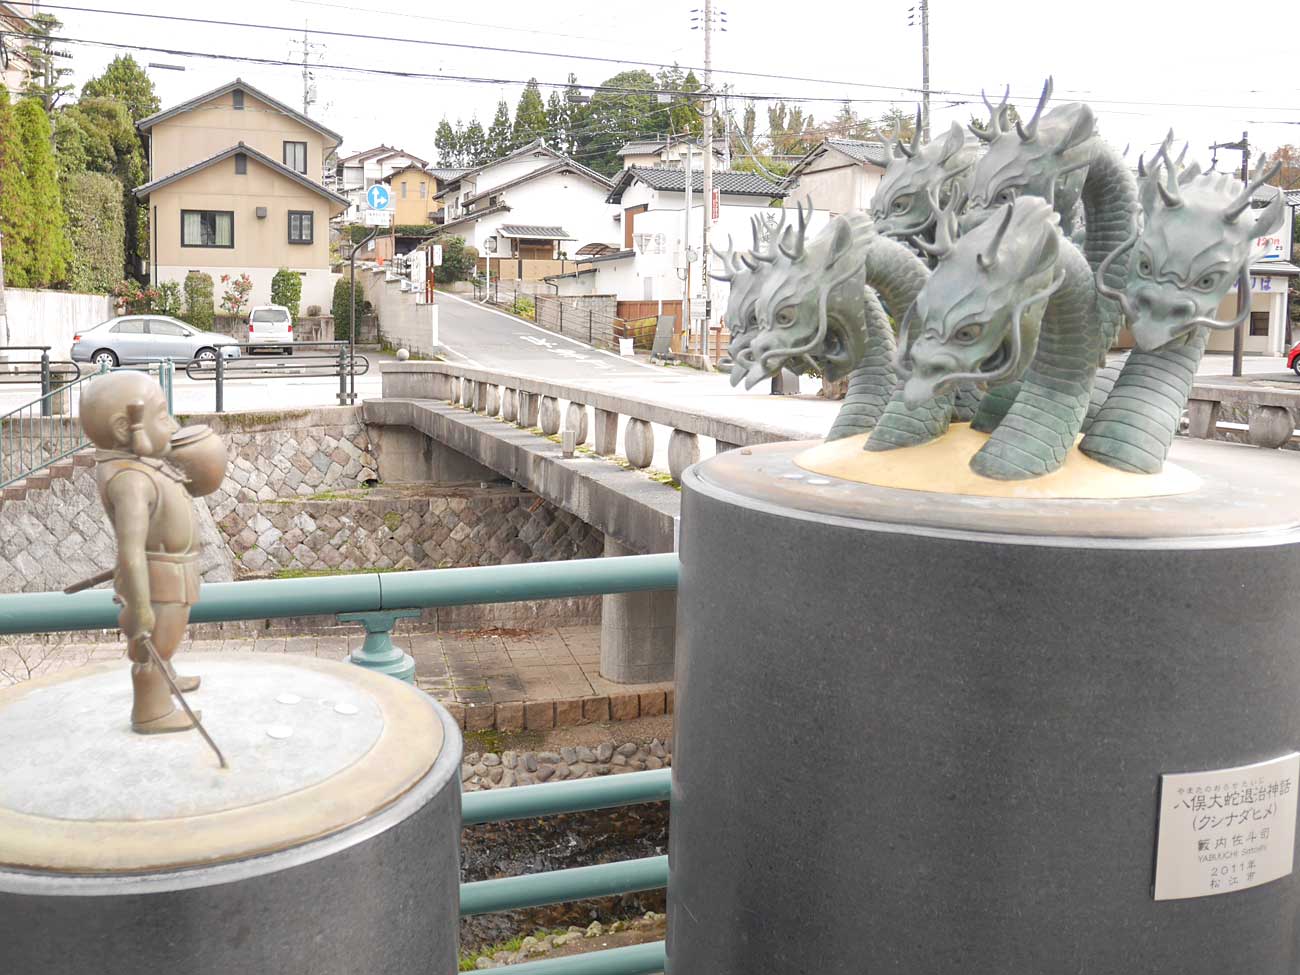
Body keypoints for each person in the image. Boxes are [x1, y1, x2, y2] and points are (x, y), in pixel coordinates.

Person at [79, 371, 223, 733]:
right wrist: (139, 605)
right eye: (162, 416)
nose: (173, 425)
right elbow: (130, 552)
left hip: (175, 571)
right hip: (159, 577)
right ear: (122, 427)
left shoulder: (141, 465)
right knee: (156, 638)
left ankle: (167, 672)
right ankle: (151, 710)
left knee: (170, 634)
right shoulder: (129, 480)